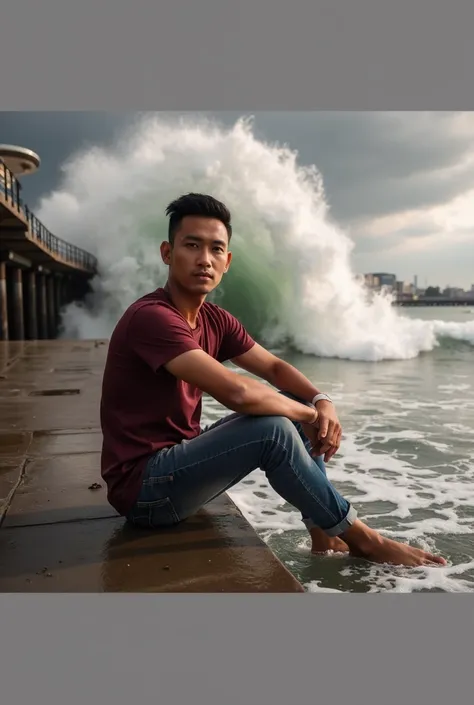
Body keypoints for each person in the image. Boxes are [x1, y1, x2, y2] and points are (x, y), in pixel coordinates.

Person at [100, 193, 446, 568]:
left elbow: (275, 369)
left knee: (288, 403)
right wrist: (310, 416)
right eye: (192, 245)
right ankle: (364, 539)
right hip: (145, 492)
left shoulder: (215, 319)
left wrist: (320, 400)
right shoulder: (152, 317)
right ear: (168, 253)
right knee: (275, 427)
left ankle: (323, 535)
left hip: (175, 474)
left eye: (216, 249)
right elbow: (237, 392)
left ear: (227, 261)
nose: (204, 259)